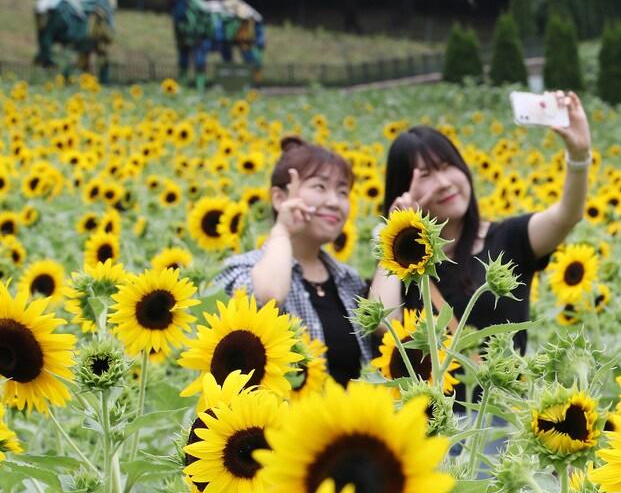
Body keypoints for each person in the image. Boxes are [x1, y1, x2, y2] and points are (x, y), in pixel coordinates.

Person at [369, 90, 593, 362]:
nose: (444, 183)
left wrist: (579, 155)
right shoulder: (400, 268)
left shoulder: (508, 239)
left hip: (500, 403)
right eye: (426, 175)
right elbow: (384, 324)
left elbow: (566, 215)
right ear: (402, 190)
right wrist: (396, 233)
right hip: (433, 404)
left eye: (447, 166)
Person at [213, 136, 372, 384]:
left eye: (343, 191)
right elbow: (269, 296)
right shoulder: (241, 269)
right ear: (279, 198)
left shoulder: (349, 280)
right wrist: (282, 230)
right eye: (320, 187)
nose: (334, 202)